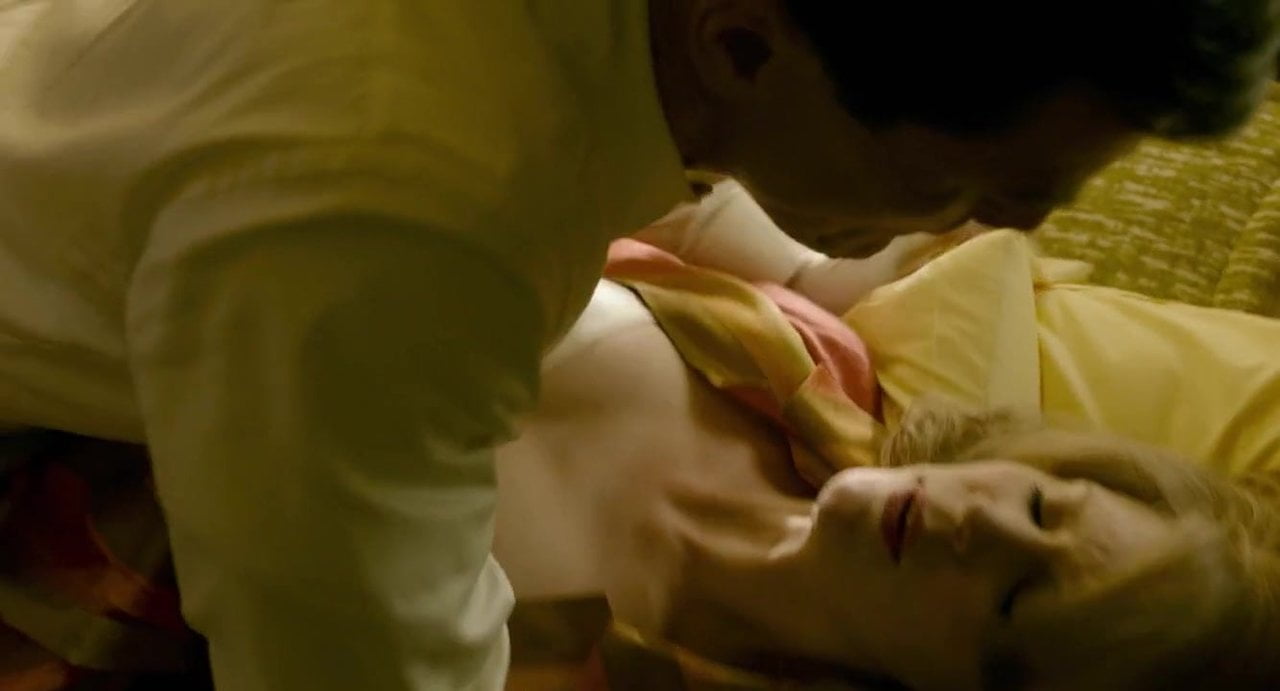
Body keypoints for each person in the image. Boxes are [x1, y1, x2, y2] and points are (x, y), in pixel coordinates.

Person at [1, 1, 1277, 689]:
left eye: (1014, 610)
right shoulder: (405, 220)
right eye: (972, 183)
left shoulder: (798, 363)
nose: (997, 232)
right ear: (742, 42)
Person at [493, 207, 1280, 689]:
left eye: (1014, 599)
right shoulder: (816, 367)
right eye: (1043, 506)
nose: (986, 523)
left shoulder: (589, 666)